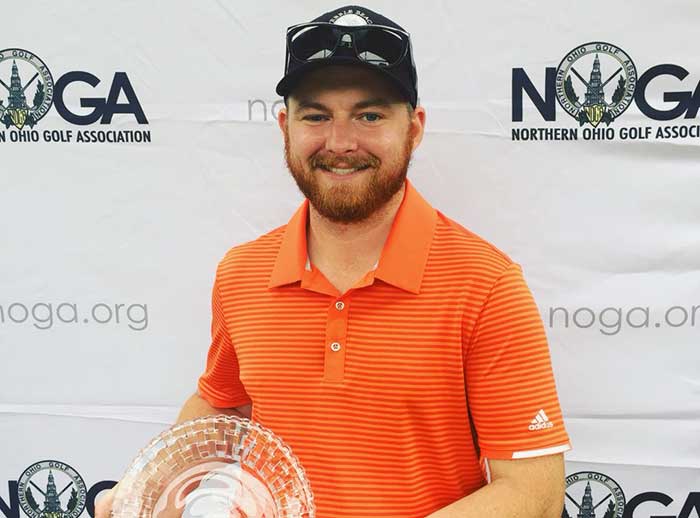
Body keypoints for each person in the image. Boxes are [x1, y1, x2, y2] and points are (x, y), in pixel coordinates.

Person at [96, 5, 572, 517]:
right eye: (316, 116)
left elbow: (533, 494)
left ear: (414, 128)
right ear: (285, 126)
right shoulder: (241, 273)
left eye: (369, 116)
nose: (340, 143)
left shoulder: (486, 285)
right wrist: (144, 491)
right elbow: (225, 403)